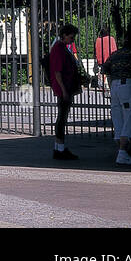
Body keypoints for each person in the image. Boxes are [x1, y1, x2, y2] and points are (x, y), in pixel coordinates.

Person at [49, 22, 84, 161]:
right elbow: (58, 72)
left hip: (64, 87)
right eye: (71, 37)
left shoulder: (61, 47)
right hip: (63, 88)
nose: (73, 39)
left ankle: (59, 148)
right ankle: (60, 149)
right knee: (62, 118)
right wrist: (64, 90)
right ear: (64, 35)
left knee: (62, 117)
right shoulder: (59, 48)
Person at [102, 42, 131, 166]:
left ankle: (121, 150)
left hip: (114, 86)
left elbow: (104, 68)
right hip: (126, 84)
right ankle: (123, 153)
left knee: (118, 118)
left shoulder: (115, 54)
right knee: (130, 116)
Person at [94, 26, 118, 92]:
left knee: (103, 75)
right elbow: (114, 50)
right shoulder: (111, 39)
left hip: (101, 61)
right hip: (110, 60)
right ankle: (112, 91)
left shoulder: (98, 40)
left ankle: (103, 88)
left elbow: (96, 51)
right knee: (110, 77)